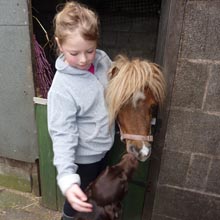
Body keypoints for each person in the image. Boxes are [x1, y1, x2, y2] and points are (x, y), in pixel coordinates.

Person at [47, 1, 115, 219]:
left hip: (105, 148)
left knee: (98, 196)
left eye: (90, 50)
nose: (84, 59)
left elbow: (117, 85)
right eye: (74, 53)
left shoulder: (103, 60)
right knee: (76, 202)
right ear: (59, 44)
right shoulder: (62, 89)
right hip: (83, 159)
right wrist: (67, 177)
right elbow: (62, 133)